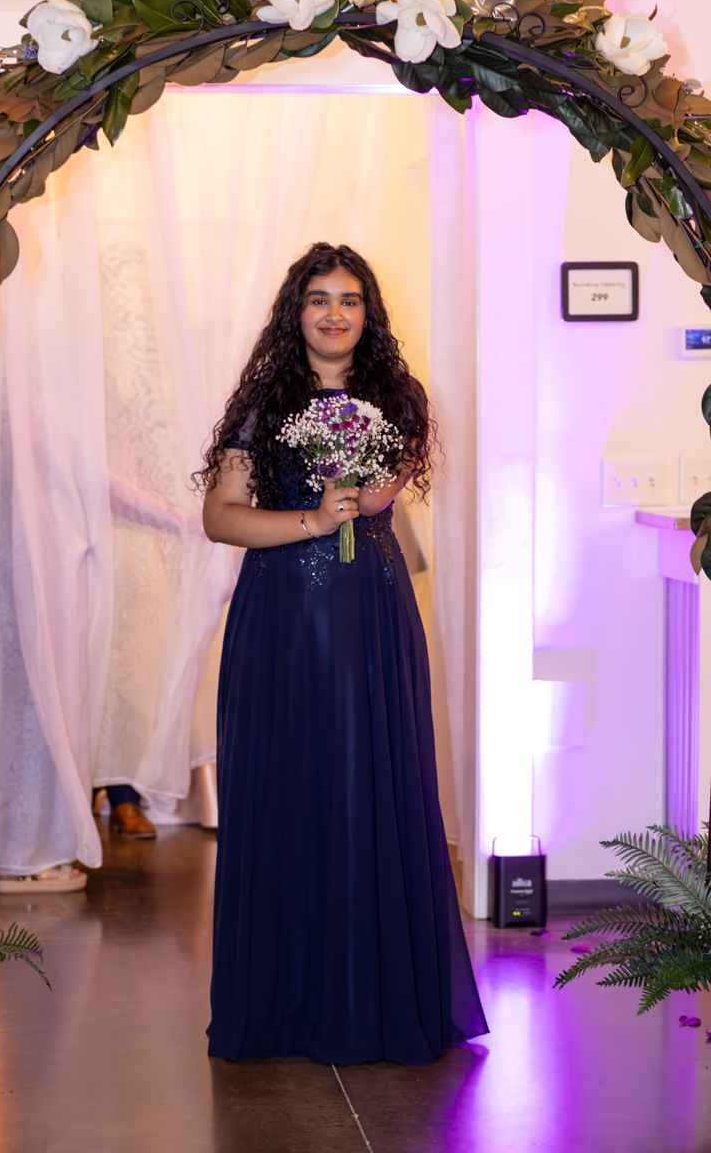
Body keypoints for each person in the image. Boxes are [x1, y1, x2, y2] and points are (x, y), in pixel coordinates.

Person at [198, 243, 488, 1064]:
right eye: (318, 299)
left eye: (350, 299)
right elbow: (222, 517)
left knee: (370, 780)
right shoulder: (259, 404)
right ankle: (286, 1002)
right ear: (296, 312)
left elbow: (386, 494)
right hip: (282, 619)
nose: (334, 314)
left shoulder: (399, 400)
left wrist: (362, 493)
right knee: (291, 784)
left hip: (372, 616)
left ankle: (373, 998)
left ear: (370, 313)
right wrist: (314, 522)